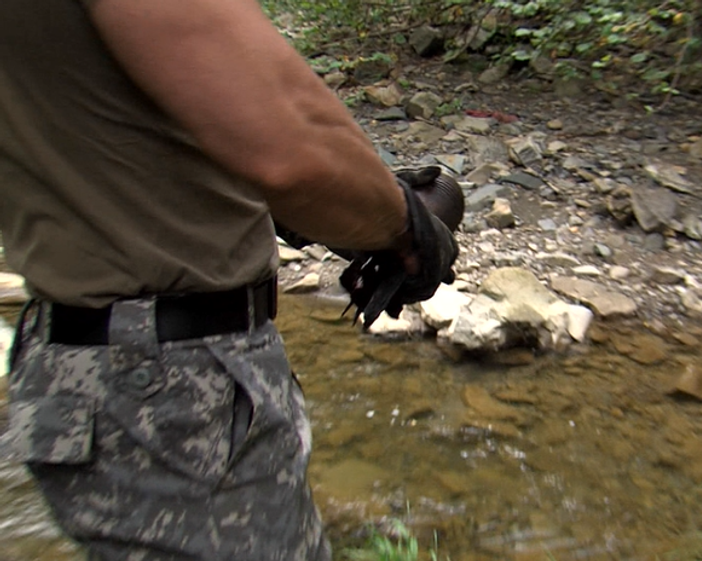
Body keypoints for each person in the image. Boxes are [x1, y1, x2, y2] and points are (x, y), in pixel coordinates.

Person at [0, 0, 457, 559]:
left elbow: (104, 121)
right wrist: (410, 231)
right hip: (170, 380)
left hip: (66, 364)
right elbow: (292, 148)